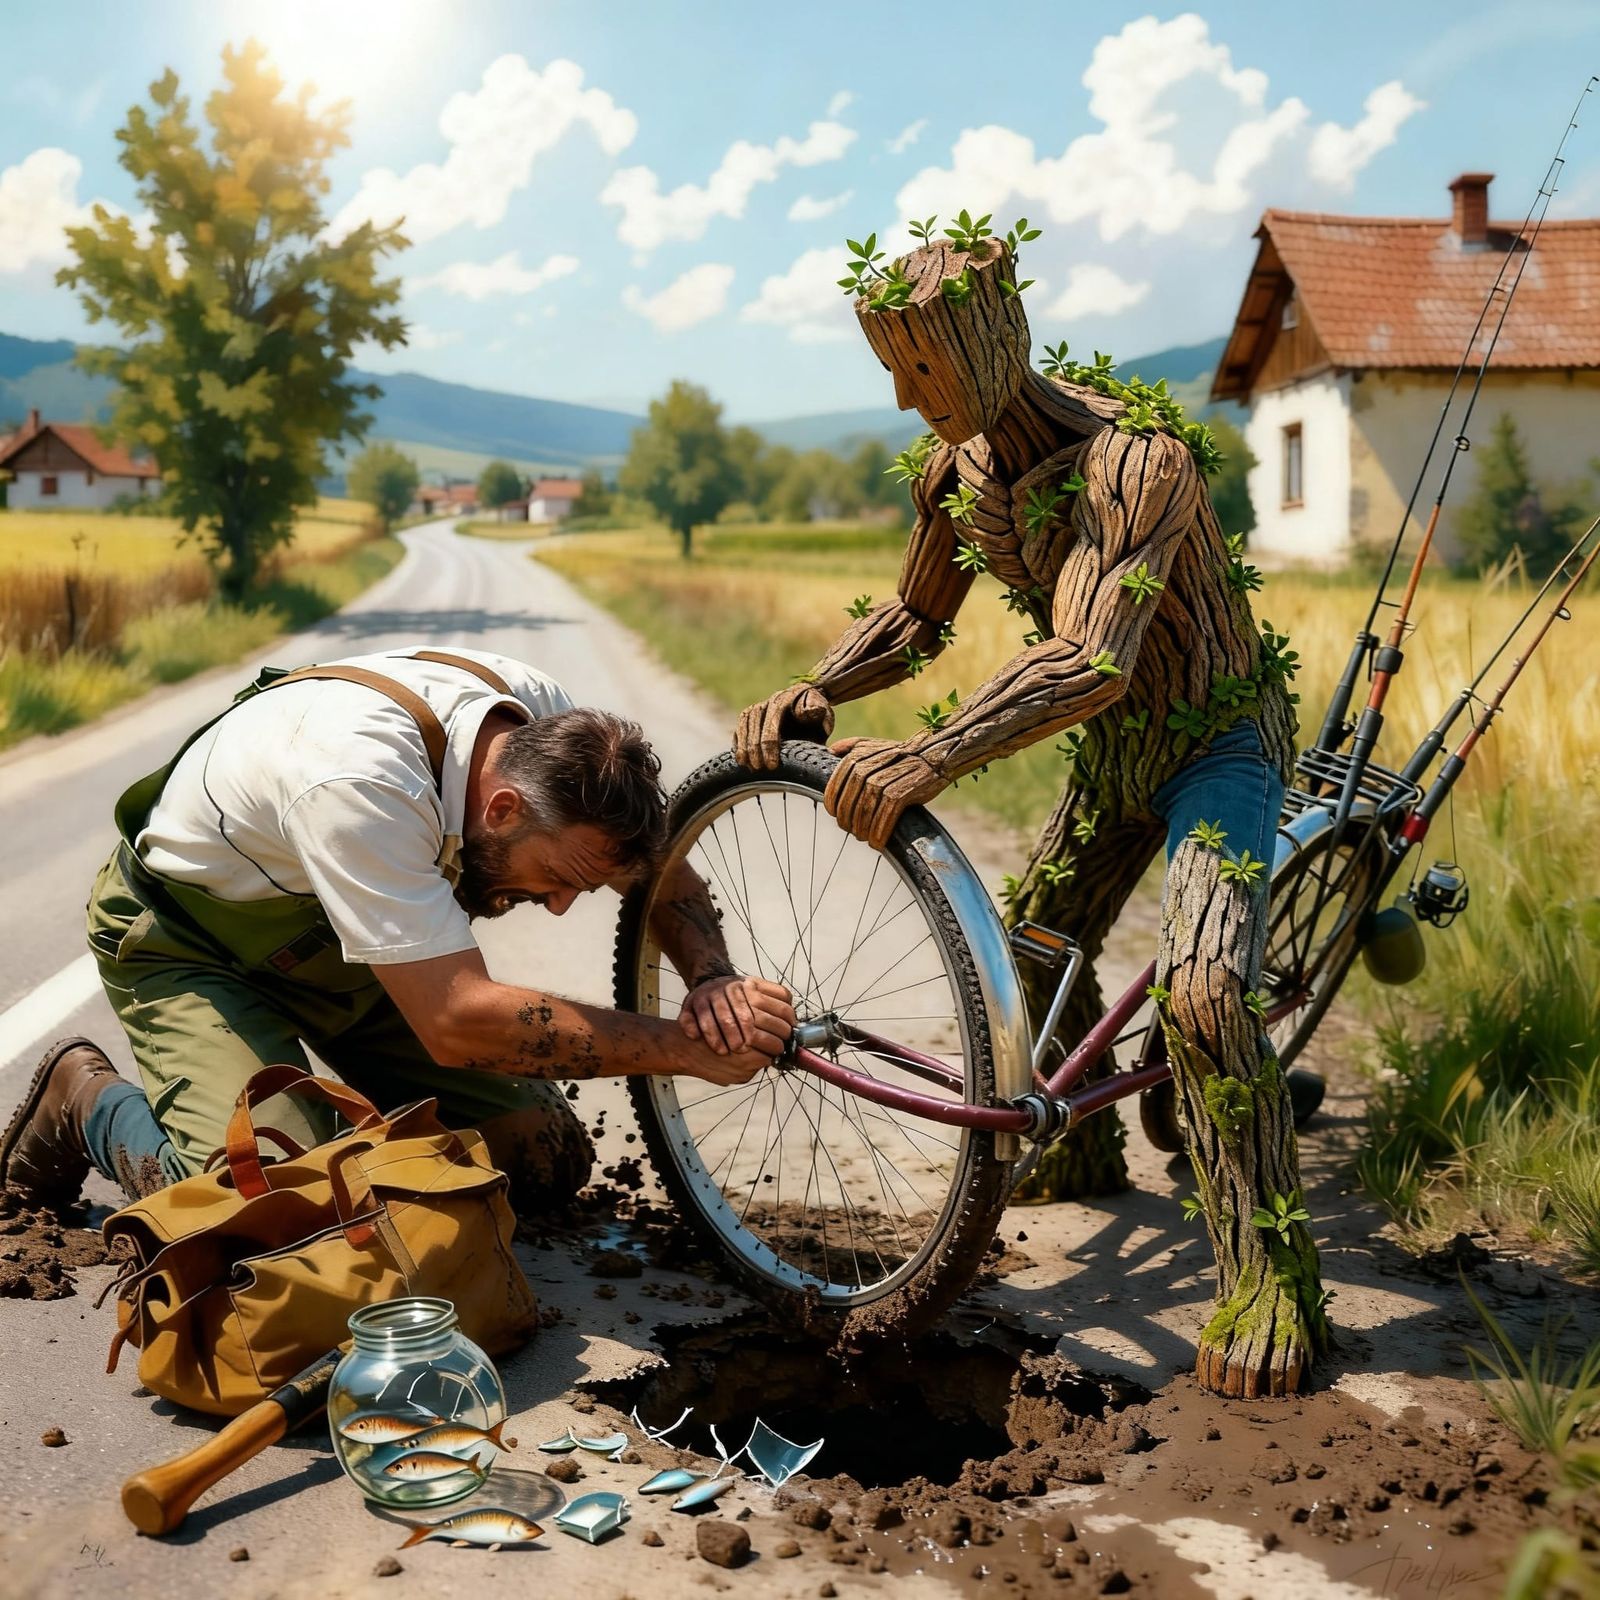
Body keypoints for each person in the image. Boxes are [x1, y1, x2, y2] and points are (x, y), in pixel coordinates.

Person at [735, 227, 1326, 1396]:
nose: (912, 403)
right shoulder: (957, 472)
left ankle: (1268, 1274)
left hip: (1218, 741)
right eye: (893, 377)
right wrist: (823, 682)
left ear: (996, 337)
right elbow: (915, 617)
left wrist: (933, 753)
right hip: (1116, 754)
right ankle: (1089, 1142)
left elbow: (1094, 657)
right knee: (1030, 947)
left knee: (1203, 993)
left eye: (926, 372)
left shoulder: (1134, 460)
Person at [1, 646, 793, 1213]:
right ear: (503, 809)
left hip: (341, 939)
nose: (557, 908)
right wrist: (678, 1049)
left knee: (541, 1159)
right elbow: (455, 1020)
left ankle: (322, 1132)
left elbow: (651, 863)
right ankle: (86, 1102)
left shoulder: (550, 733)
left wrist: (713, 980)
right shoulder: (360, 783)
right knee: (272, 1209)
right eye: (556, 881)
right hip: (193, 942)